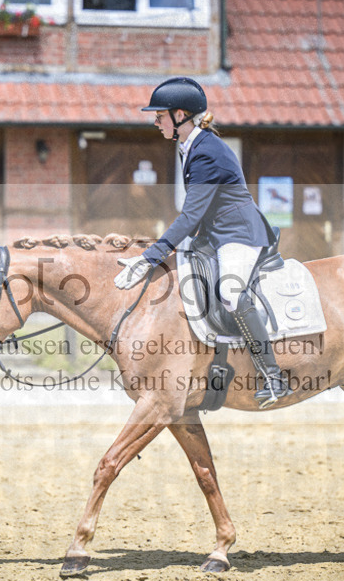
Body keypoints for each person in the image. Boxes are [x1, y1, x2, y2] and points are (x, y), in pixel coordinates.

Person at [114, 77, 288, 408]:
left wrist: (150, 256)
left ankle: (273, 376)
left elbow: (190, 215)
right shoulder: (192, 146)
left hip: (238, 234)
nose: (155, 122)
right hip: (214, 236)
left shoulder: (205, 151)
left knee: (231, 293)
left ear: (180, 115)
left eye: (160, 115)